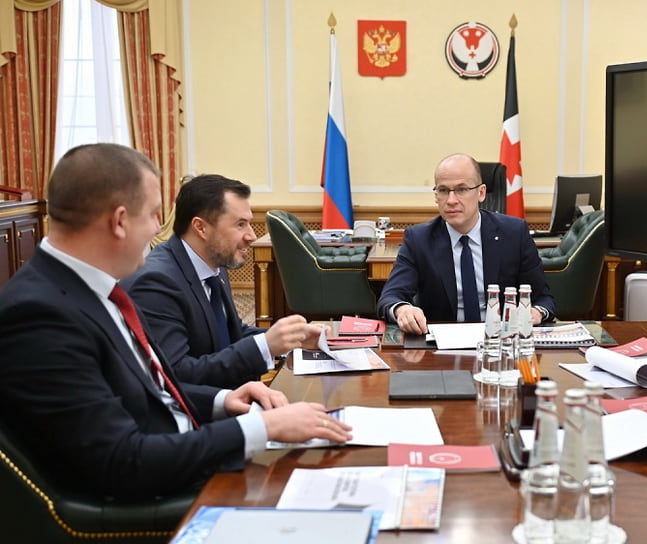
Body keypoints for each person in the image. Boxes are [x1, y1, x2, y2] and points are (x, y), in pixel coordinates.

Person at [0, 144, 351, 502]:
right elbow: (121, 462)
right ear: (119, 221)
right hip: (157, 501)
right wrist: (261, 428)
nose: (159, 228)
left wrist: (222, 400)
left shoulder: (87, 287)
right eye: (153, 214)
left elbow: (148, 390)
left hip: (185, 456)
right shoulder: (39, 314)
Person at [122, 174, 324, 388]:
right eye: (240, 224)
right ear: (201, 228)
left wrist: (292, 340)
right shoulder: (156, 283)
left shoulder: (213, 262)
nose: (251, 236)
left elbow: (230, 333)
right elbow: (177, 375)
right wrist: (265, 346)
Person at [377, 153, 555, 334]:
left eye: (461, 189)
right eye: (443, 190)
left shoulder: (514, 233)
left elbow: (543, 299)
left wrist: (535, 312)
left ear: (481, 193)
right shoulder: (419, 239)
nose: (451, 200)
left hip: (502, 340)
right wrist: (402, 309)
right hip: (441, 344)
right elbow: (390, 297)